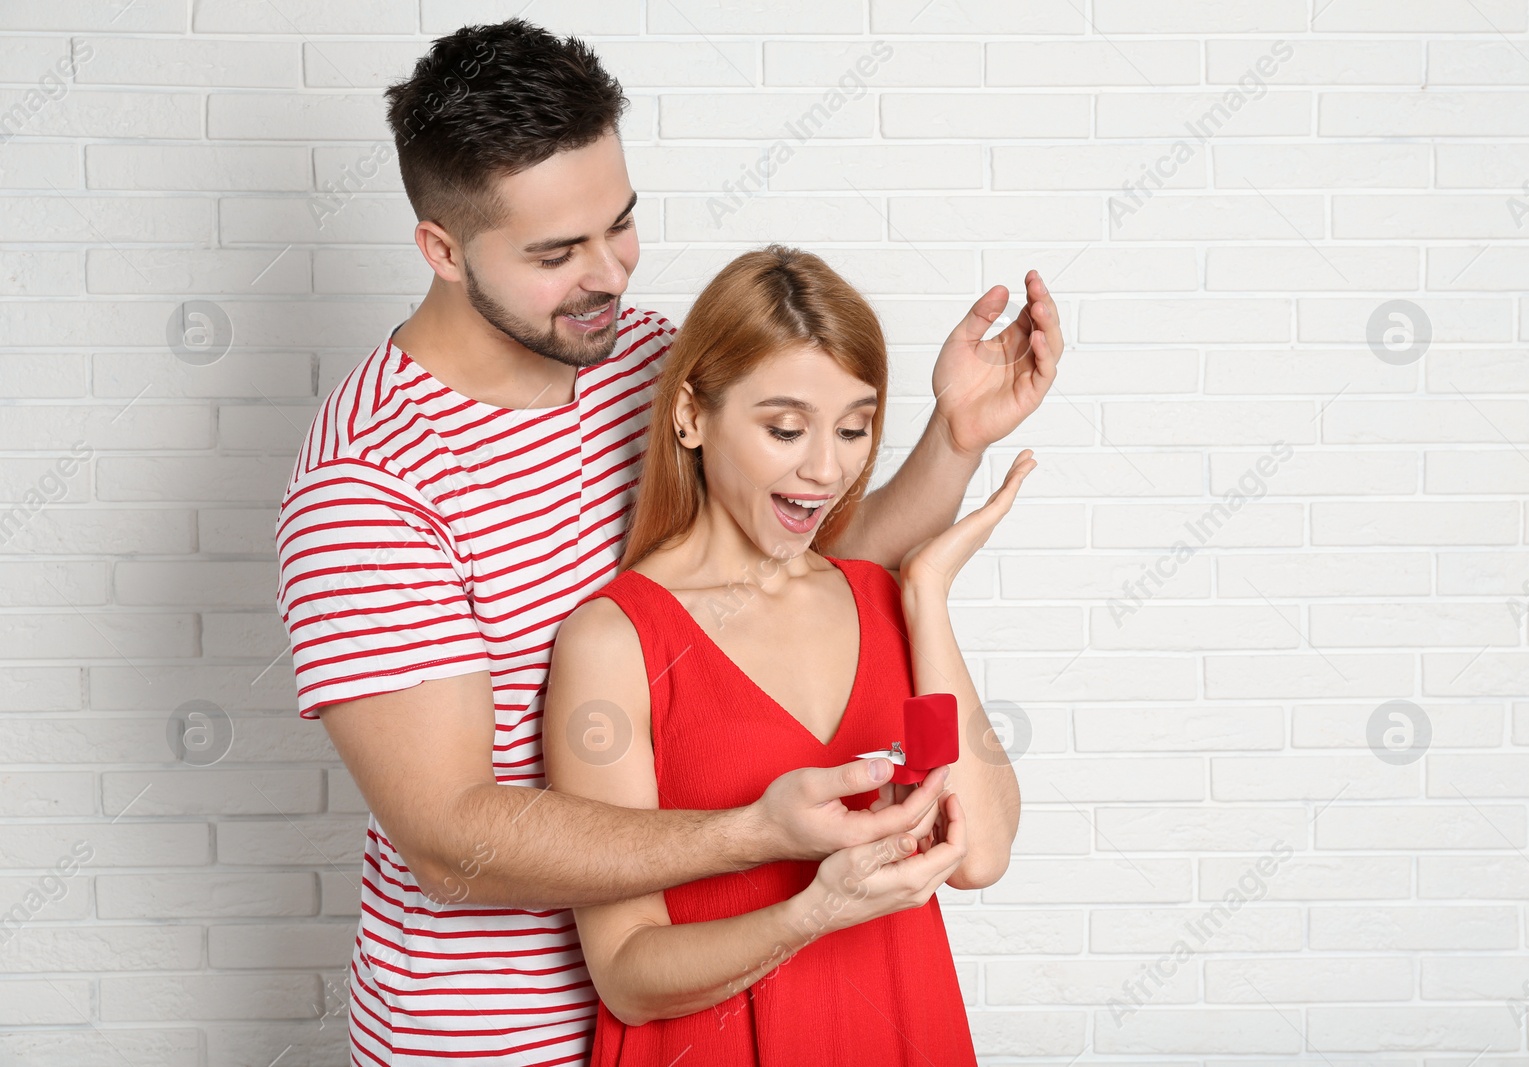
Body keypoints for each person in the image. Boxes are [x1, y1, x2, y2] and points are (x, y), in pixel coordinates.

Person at [273, 18, 1061, 1067]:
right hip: (503, 1038)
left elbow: (801, 569)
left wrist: (950, 442)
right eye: (556, 253)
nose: (609, 274)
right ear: (443, 250)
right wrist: (755, 832)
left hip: (726, 1000)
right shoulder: (367, 487)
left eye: (620, 223)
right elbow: (451, 837)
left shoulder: (641, 358)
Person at [542, 245, 1032, 1066]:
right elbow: (626, 971)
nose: (828, 467)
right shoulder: (616, 639)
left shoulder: (879, 599)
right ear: (692, 415)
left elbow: (978, 851)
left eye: (853, 427)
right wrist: (810, 913)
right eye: (785, 428)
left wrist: (926, 592)